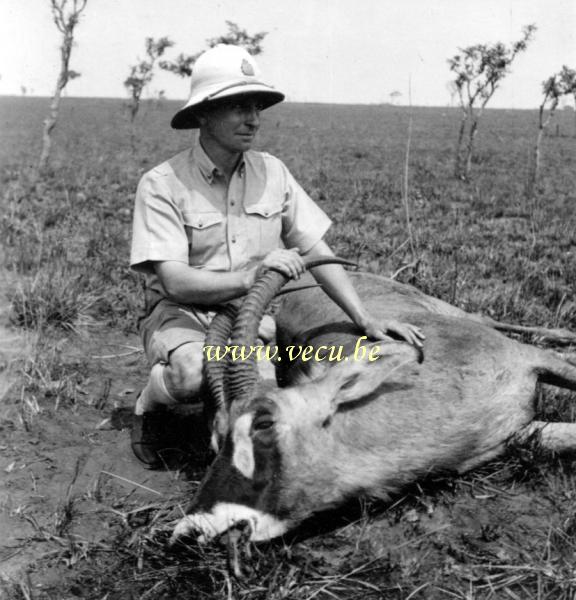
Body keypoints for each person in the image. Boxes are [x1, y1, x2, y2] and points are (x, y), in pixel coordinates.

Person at [129, 44, 424, 468]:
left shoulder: (274, 172)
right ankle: (151, 403)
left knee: (261, 411)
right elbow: (174, 281)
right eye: (236, 107)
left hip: (251, 319)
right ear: (202, 115)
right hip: (183, 315)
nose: (252, 119)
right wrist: (252, 277)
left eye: (256, 106)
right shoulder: (162, 183)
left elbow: (317, 250)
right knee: (194, 373)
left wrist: (365, 319)